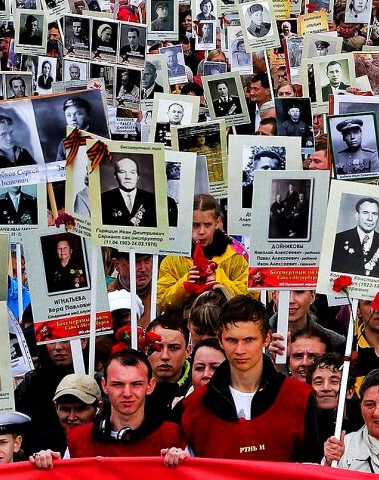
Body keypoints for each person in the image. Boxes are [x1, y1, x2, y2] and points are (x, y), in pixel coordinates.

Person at [171, 296, 323, 463]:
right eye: (232, 340)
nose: (240, 350)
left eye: (249, 340)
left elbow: (311, 466)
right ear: (220, 339)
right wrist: (175, 457)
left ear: (266, 339)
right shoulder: (192, 407)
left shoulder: (299, 398)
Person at [29, 351, 187, 465]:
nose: (127, 393)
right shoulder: (79, 439)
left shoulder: (172, 437)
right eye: (117, 384)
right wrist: (46, 465)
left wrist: (183, 462)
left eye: (136, 384)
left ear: (150, 386)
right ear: (104, 385)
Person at [156, 194, 249, 315]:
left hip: (225, 326)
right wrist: (184, 285)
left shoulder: (235, 257)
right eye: (195, 225)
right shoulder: (173, 259)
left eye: (207, 225)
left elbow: (249, 296)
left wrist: (220, 280)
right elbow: (162, 301)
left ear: (217, 223)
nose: (201, 231)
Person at [330, 196, 379, 278]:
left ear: (378, 217)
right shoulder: (338, 240)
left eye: (374, 214)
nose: (370, 218)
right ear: (357, 216)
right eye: (365, 213)